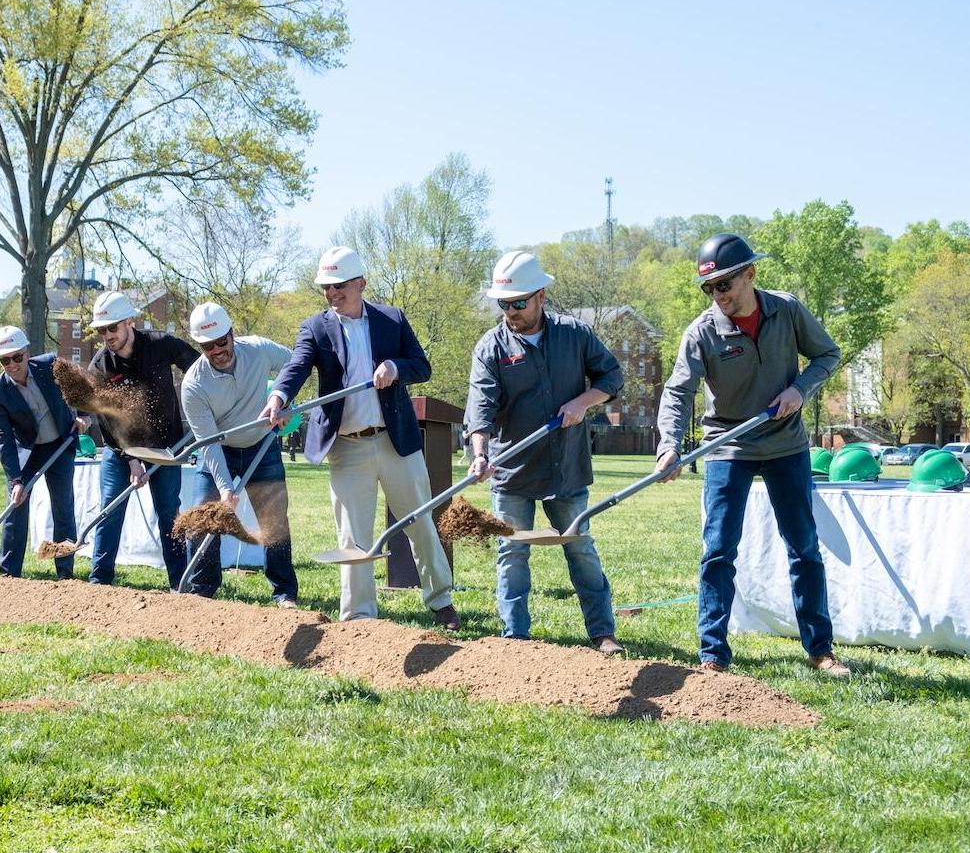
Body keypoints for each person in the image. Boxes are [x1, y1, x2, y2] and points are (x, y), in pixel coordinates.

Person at [655, 233, 850, 677]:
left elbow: (827, 355)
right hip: (728, 444)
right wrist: (670, 445)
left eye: (724, 284)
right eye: (709, 288)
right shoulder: (702, 332)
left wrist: (800, 391)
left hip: (786, 444)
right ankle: (712, 654)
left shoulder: (787, 310)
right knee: (719, 550)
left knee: (803, 548)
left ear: (750, 274)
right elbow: (678, 392)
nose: (718, 295)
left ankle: (821, 650)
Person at [261, 245, 459, 630]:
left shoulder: (391, 319)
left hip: (395, 441)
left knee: (420, 521)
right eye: (326, 287)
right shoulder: (316, 327)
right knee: (353, 537)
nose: (332, 293)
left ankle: (441, 601)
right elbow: (297, 366)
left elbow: (422, 366)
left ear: (361, 283)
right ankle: (360, 618)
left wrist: (394, 367)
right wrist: (278, 396)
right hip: (347, 447)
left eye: (339, 285)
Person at [464, 251, 626, 654]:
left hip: (566, 469)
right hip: (513, 471)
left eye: (519, 302)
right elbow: (479, 409)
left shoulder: (575, 334)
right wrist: (480, 453)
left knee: (581, 549)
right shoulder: (491, 347)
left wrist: (582, 402)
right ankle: (515, 638)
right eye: (503, 303)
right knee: (512, 553)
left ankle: (603, 633)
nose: (511, 311)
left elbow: (612, 377)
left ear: (541, 296)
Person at [179, 302, 299, 605]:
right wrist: (225, 488)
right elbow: (208, 442)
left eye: (222, 341)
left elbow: (296, 364)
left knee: (275, 520)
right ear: (200, 346)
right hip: (220, 450)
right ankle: (202, 592)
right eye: (209, 346)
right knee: (203, 519)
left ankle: (284, 592)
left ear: (232, 333)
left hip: (262, 444)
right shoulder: (194, 385)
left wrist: (282, 399)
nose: (218, 350)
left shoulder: (258, 349)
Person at [86, 290, 200, 587]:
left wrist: (208, 402)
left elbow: (200, 369)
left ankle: (180, 582)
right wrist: (132, 458)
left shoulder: (161, 345)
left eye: (113, 327)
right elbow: (108, 423)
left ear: (130, 322)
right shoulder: (99, 368)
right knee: (110, 511)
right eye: (101, 330)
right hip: (120, 450)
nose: (107, 335)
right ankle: (99, 581)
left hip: (165, 448)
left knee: (168, 515)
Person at [0, 325, 83, 579]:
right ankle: (9, 573)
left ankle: (65, 572)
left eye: (17, 357)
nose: (13, 364)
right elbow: (2, 438)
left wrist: (82, 416)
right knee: (16, 505)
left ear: (27, 353)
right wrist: (16, 480)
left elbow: (80, 388)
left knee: (63, 506)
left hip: (59, 445)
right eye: (5, 360)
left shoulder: (50, 365)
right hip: (26, 453)